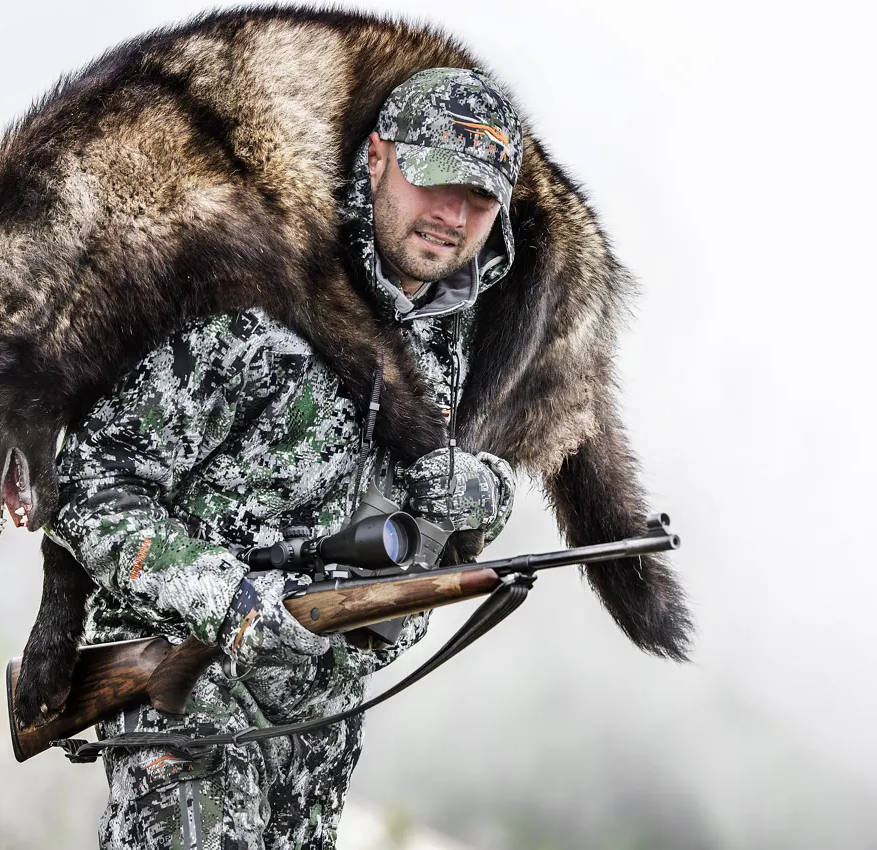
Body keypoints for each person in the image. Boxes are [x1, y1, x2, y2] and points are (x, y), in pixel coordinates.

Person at [46, 67, 523, 849]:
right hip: (184, 686)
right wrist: (231, 602)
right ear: (377, 159)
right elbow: (88, 484)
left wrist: (483, 495)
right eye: (434, 180)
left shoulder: (457, 328)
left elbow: (447, 514)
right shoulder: (256, 289)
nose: (451, 214)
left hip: (320, 723)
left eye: (477, 198)